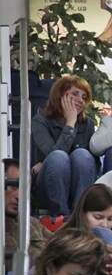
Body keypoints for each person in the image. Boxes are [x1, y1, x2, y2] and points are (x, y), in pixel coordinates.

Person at [30, 76, 99, 217]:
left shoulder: (88, 124)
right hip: (48, 188)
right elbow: (54, 156)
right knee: (58, 157)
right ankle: (61, 217)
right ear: (60, 95)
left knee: (82, 154)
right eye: (75, 94)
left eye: (84, 97)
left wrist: (44, 162)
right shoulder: (40, 121)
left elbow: (92, 165)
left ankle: (79, 215)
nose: (80, 100)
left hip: (79, 188)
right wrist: (71, 123)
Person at [62, 184, 112, 275]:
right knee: (105, 236)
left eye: (110, 219)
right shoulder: (64, 240)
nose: (104, 224)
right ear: (82, 214)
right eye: (98, 217)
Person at [3, 158, 51, 272]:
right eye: (14, 186)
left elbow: (61, 243)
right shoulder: (3, 227)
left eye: (23, 188)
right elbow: (18, 267)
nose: (19, 196)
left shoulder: (31, 222)